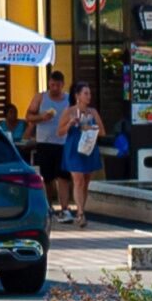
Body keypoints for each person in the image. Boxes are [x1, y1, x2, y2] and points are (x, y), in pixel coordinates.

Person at [61, 84, 110, 227]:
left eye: (89, 93)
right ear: (77, 95)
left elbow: (103, 132)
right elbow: (59, 132)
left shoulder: (93, 112)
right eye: (85, 93)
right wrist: (70, 124)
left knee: (85, 182)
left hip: (88, 147)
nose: (89, 96)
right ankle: (81, 213)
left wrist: (91, 128)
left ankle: (81, 209)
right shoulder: (69, 111)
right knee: (78, 180)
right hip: (74, 149)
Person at [22, 81, 70, 203]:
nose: (55, 88)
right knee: (48, 178)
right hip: (45, 143)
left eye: (58, 85)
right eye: (52, 85)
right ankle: (49, 205)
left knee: (63, 177)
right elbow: (28, 116)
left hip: (63, 143)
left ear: (62, 85)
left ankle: (64, 208)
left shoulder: (69, 99)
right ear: (49, 84)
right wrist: (41, 117)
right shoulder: (40, 97)